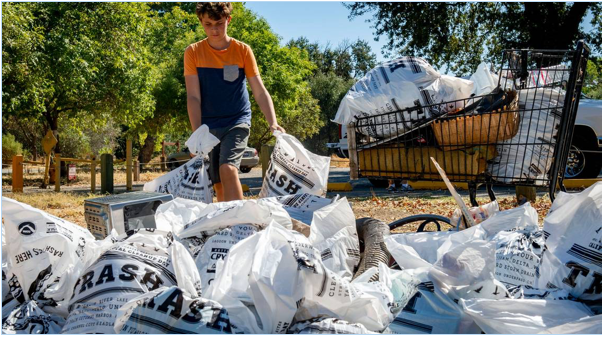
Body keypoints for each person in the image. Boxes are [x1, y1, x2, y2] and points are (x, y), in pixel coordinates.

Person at [184, 2, 285, 202]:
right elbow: (193, 97)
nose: (214, 29)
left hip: (237, 120)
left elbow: (259, 90)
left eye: (219, 23)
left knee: (228, 169)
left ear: (228, 20)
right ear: (201, 23)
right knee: (219, 184)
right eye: (208, 24)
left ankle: (242, 224)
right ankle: (227, 227)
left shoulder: (242, 51)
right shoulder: (193, 52)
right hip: (208, 125)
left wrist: (272, 122)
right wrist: (197, 135)